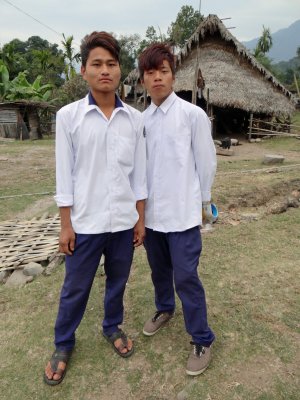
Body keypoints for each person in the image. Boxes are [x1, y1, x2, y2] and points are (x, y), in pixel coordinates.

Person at [44, 31, 147, 385]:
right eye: (97, 64)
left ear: (120, 71)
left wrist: (139, 219)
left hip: (122, 222)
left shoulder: (135, 119)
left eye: (111, 64)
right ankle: (62, 343)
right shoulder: (68, 117)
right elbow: (64, 176)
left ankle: (111, 325)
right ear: (84, 71)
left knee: (117, 282)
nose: (105, 70)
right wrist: (65, 225)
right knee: (75, 287)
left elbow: (140, 176)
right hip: (85, 224)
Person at [138, 43, 216, 376]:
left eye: (163, 71)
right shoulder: (141, 120)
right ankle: (164, 308)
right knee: (159, 272)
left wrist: (204, 203)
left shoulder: (191, 115)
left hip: (183, 215)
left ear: (173, 75)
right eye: (150, 73)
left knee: (185, 277)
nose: (157, 78)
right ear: (143, 80)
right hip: (153, 218)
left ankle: (202, 338)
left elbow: (206, 160)